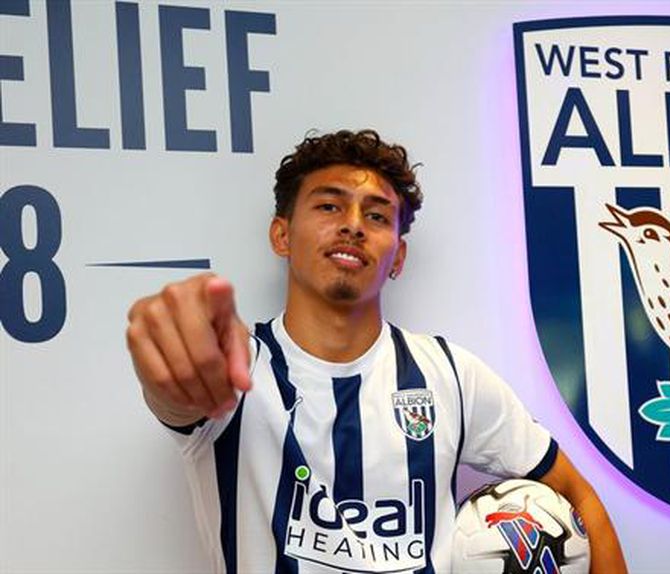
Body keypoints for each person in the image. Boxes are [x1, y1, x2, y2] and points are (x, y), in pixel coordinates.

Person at [126, 129, 627, 573]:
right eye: (329, 206)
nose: (353, 225)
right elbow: (178, 394)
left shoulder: (451, 376)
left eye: (377, 215)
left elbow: (579, 497)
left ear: (398, 257)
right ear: (282, 235)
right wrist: (173, 348)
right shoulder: (237, 370)